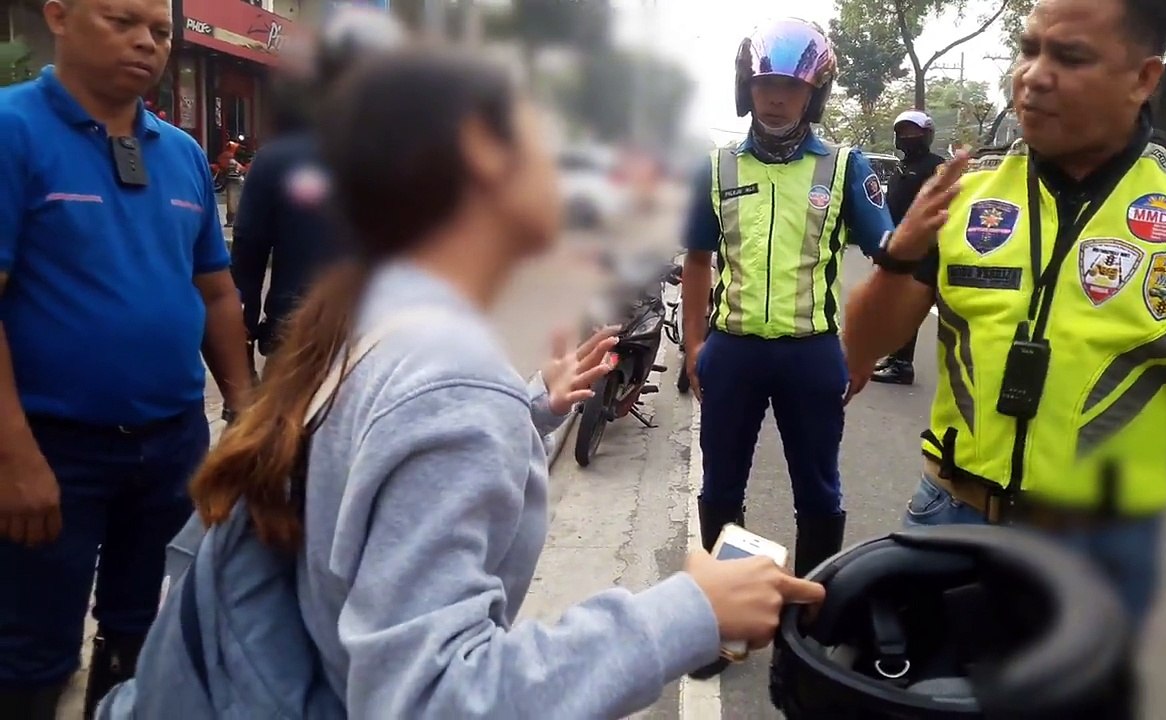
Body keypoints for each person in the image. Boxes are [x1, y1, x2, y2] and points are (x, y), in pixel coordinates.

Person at [188, 47, 827, 718]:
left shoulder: (378, 314)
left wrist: (526, 408)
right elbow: (433, 697)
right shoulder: (453, 381)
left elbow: (392, 478)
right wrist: (688, 613)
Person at [843, 0, 1166, 662]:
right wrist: (899, 253)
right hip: (949, 517)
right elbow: (859, 350)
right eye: (1030, 49)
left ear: (1143, 78)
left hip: (1101, 548)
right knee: (909, 695)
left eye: (1070, 57)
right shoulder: (964, 191)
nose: (1033, 76)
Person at [0, 0, 254, 715]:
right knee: (30, 650)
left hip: (172, 444)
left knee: (147, 633)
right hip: (51, 449)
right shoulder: (13, 132)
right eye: (122, 22)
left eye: (161, 31)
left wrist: (247, 411)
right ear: (59, 16)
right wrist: (13, 457)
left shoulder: (179, 153)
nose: (147, 43)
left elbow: (216, 293)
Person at [681, 17, 894, 679]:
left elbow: (890, 259)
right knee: (721, 486)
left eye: (791, 88)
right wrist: (694, 346)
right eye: (764, 84)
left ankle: (810, 631)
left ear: (813, 95)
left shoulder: (845, 167)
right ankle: (726, 628)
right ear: (746, 89)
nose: (775, 98)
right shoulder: (716, 168)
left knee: (819, 492)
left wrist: (862, 349)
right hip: (734, 351)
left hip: (811, 354)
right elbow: (697, 260)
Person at [231, 7, 407, 363]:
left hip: (315, 345)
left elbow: (246, 265)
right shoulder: (406, 157)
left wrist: (242, 351)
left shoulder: (278, 158)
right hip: (371, 344)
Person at [870, 110, 946, 386]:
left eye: (913, 132)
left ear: (927, 134)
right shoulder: (902, 167)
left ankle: (902, 365)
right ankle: (896, 356)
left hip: (925, 248)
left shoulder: (936, 167)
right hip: (899, 244)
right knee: (894, 305)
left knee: (907, 306)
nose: (907, 137)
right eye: (903, 132)